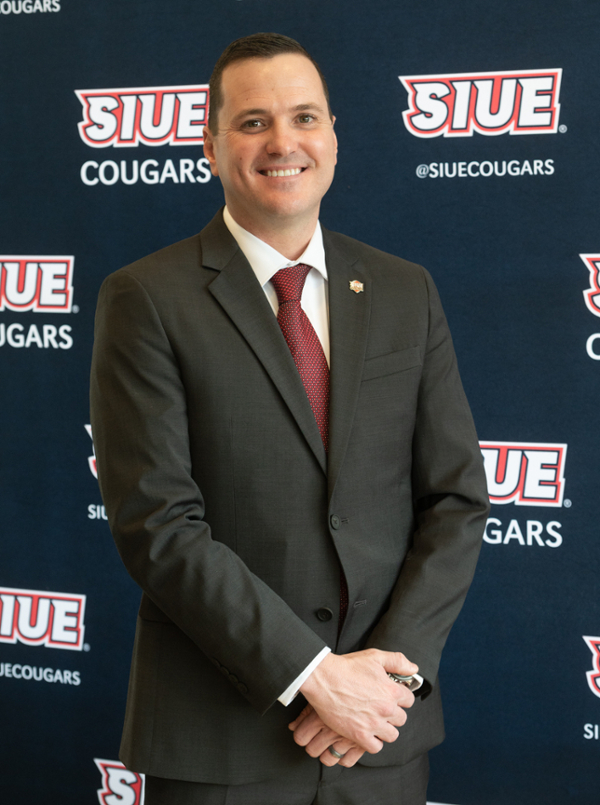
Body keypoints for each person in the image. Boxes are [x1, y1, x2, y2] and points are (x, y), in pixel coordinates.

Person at [90, 32, 490, 805]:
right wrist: (313, 675)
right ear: (210, 144)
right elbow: (156, 523)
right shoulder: (146, 298)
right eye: (252, 122)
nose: (283, 142)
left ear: (334, 136)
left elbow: (456, 499)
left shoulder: (408, 291)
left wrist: (384, 679)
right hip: (221, 741)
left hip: (378, 734)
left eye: (305, 117)